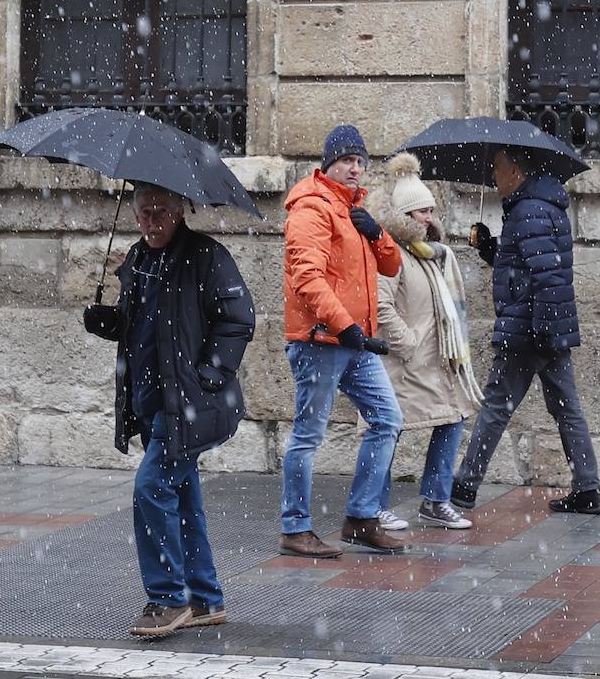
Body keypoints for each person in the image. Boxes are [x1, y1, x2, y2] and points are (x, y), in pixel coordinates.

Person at [82, 183, 256, 638]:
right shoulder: (137, 259)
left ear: (180, 211)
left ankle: (167, 599)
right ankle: (204, 598)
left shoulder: (206, 256)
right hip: (157, 405)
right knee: (181, 498)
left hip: (191, 405)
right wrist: (108, 322)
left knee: (151, 488)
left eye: (161, 211)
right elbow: (139, 322)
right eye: (144, 212)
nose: (152, 220)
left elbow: (238, 319)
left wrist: (209, 377)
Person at [450, 148, 600, 516]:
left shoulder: (528, 211)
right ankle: (587, 488)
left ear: (515, 171)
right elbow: (525, 263)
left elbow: (547, 276)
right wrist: (491, 248)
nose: (493, 175)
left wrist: (540, 332)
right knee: (567, 410)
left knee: (495, 406)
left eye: (497, 168)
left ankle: (464, 486)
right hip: (546, 329)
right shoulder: (539, 206)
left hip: (529, 329)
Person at [278, 124, 407, 557]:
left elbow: (392, 267)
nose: (355, 168)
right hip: (320, 341)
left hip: (355, 343)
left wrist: (376, 233)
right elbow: (307, 278)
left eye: (360, 162)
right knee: (308, 434)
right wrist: (344, 326)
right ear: (328, 163)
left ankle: (361, 517)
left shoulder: (352, 211)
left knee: (387, 419)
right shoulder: (311, 209)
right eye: (347, 160)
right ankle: (295, 528)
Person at [370, 153, 482, 531]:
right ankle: (374, 506)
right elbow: (381, 306)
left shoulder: (434, 255)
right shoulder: (392, 253)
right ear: (404, 217)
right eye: (421, 212)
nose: (430, 218)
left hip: (437, 362)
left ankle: (435, 500)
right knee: (386, 429)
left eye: (432, 210)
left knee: (453, 417)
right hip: (402, 362)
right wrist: (408, 342)